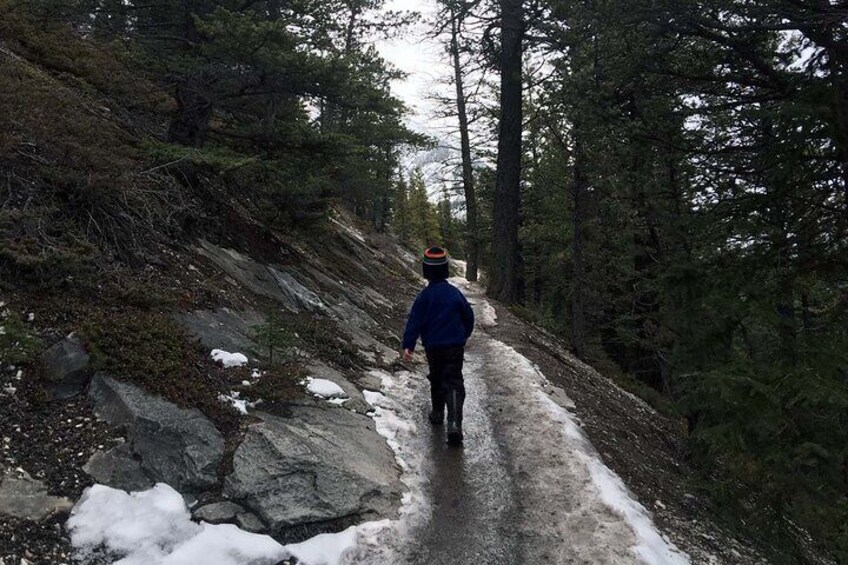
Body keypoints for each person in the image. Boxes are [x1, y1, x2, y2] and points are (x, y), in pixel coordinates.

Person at [402, 246, 475, 445]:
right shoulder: (454, 294)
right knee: (453, 380)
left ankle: (437, 413)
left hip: (433, 347)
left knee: (436, 377)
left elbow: (414, 321)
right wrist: (464, 335)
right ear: (446, 270)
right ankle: (454, 424)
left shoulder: (424, 297)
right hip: (454, 346)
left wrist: (408, 345)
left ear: (426, 271)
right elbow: (468, 316)